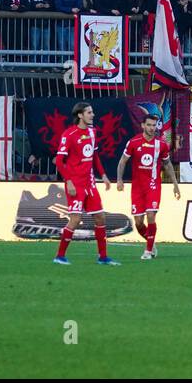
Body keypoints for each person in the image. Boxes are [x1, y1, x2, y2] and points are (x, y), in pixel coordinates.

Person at [53, 102, 118, 266]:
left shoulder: (92, 132)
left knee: (100, 217)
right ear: (80, 115)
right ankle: (59, 256)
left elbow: (94, 156)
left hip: (90, 182)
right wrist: (68, 181)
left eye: (92, 112)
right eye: (89, 112)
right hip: (75, 182)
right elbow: (59, 161)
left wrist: (103, 175)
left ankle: (102, 257)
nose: (93, 115)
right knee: (75, 219)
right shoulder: (69, 134)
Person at [116, 113, 180, 260]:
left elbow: (167, 164)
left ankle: (148, 250)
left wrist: (175, 184)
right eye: (149, 125)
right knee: (138, 223)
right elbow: (122, 161)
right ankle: (151, 242)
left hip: (153, 185)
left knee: (151, 215)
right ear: (143, 126)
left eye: (154, 125)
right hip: (137, 187)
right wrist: (119, 180)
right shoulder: (133, 142)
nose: (152, 128)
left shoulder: (161, 144)